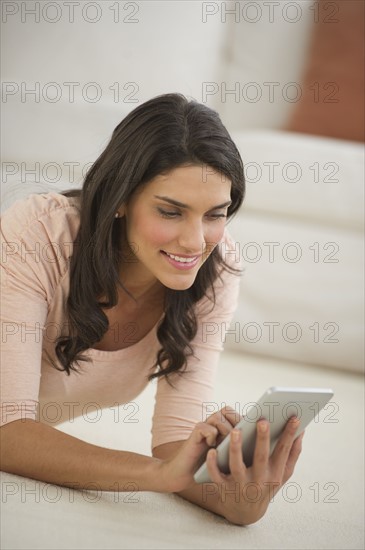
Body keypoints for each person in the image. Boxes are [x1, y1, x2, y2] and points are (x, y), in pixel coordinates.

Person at [0, 93, 303, 526]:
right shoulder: (39, 234)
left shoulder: (216, 270)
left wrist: (237, 500)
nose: (196, 241)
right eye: (170, 212)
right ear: (121, 198)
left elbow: (174, 444)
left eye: (215, 214)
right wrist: (157, 475)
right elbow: (6, 432)